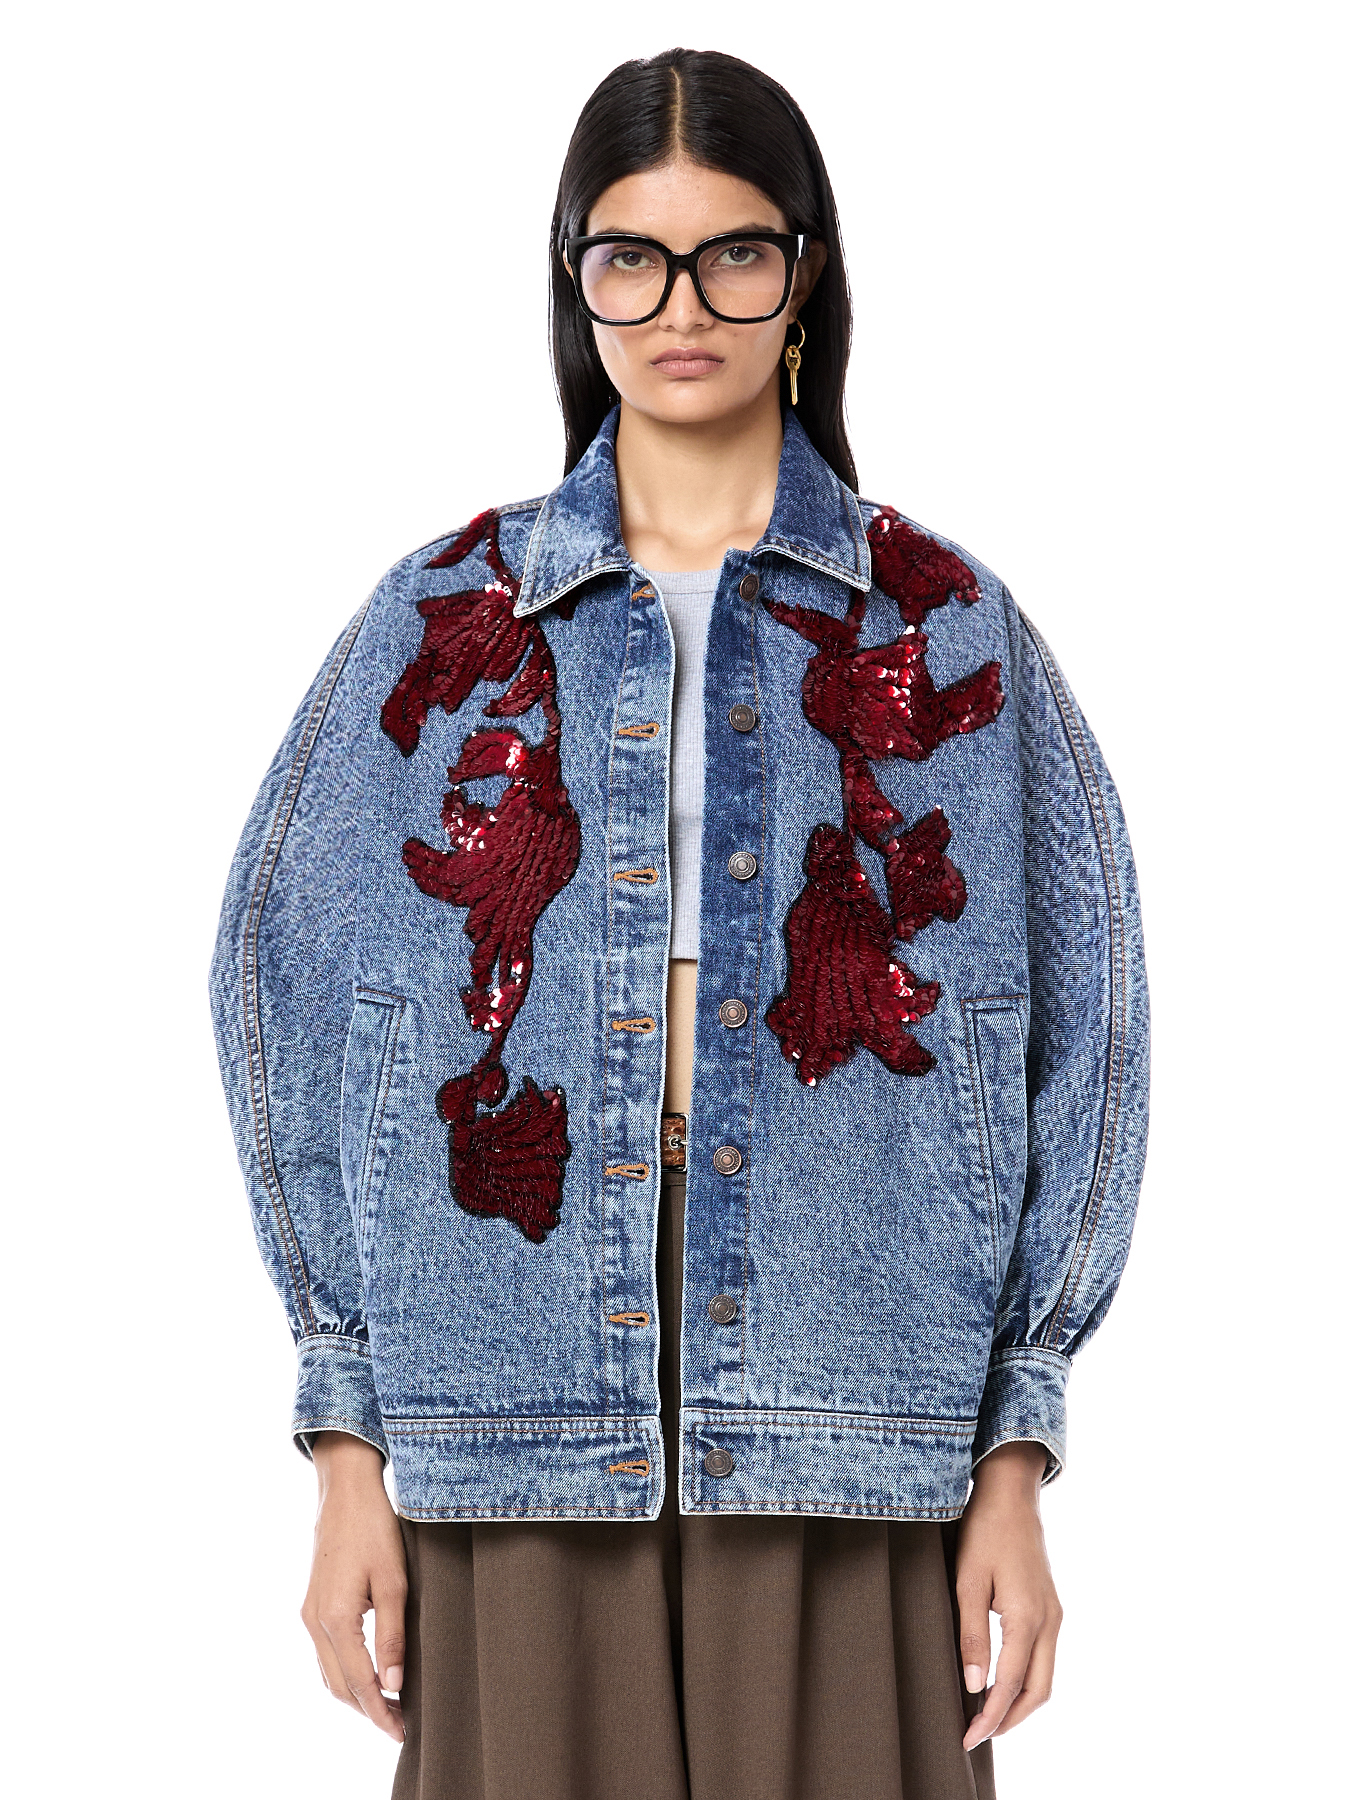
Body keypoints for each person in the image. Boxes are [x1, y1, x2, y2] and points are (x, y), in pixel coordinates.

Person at [210, 46, 1149, 1800]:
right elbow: (290, 997)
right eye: (630, 259)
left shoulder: (943, 626)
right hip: (511, 1368)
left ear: (803, 276)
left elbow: (1084, 1035)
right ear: (576, 282)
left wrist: (1016, 1449)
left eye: (733, 254)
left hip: (847, 1373)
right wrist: (344, 1436)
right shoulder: (448, 615)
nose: (681, 308)